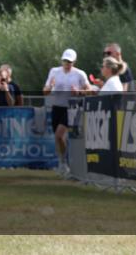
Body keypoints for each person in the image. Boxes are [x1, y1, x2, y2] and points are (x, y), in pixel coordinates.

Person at [43, 48, 91, 177]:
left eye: (69, 62)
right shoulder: (54, 72)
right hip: (57, 107)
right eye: (65, 61)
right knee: (58, 138)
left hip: (72, 108)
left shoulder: (80, 74)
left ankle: (66, 163)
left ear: (74, 62)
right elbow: (45, 92)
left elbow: (90, 90)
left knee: (60, 134)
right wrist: (50, 86)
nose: (67, 64)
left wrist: (79, 92)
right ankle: (63, 162)